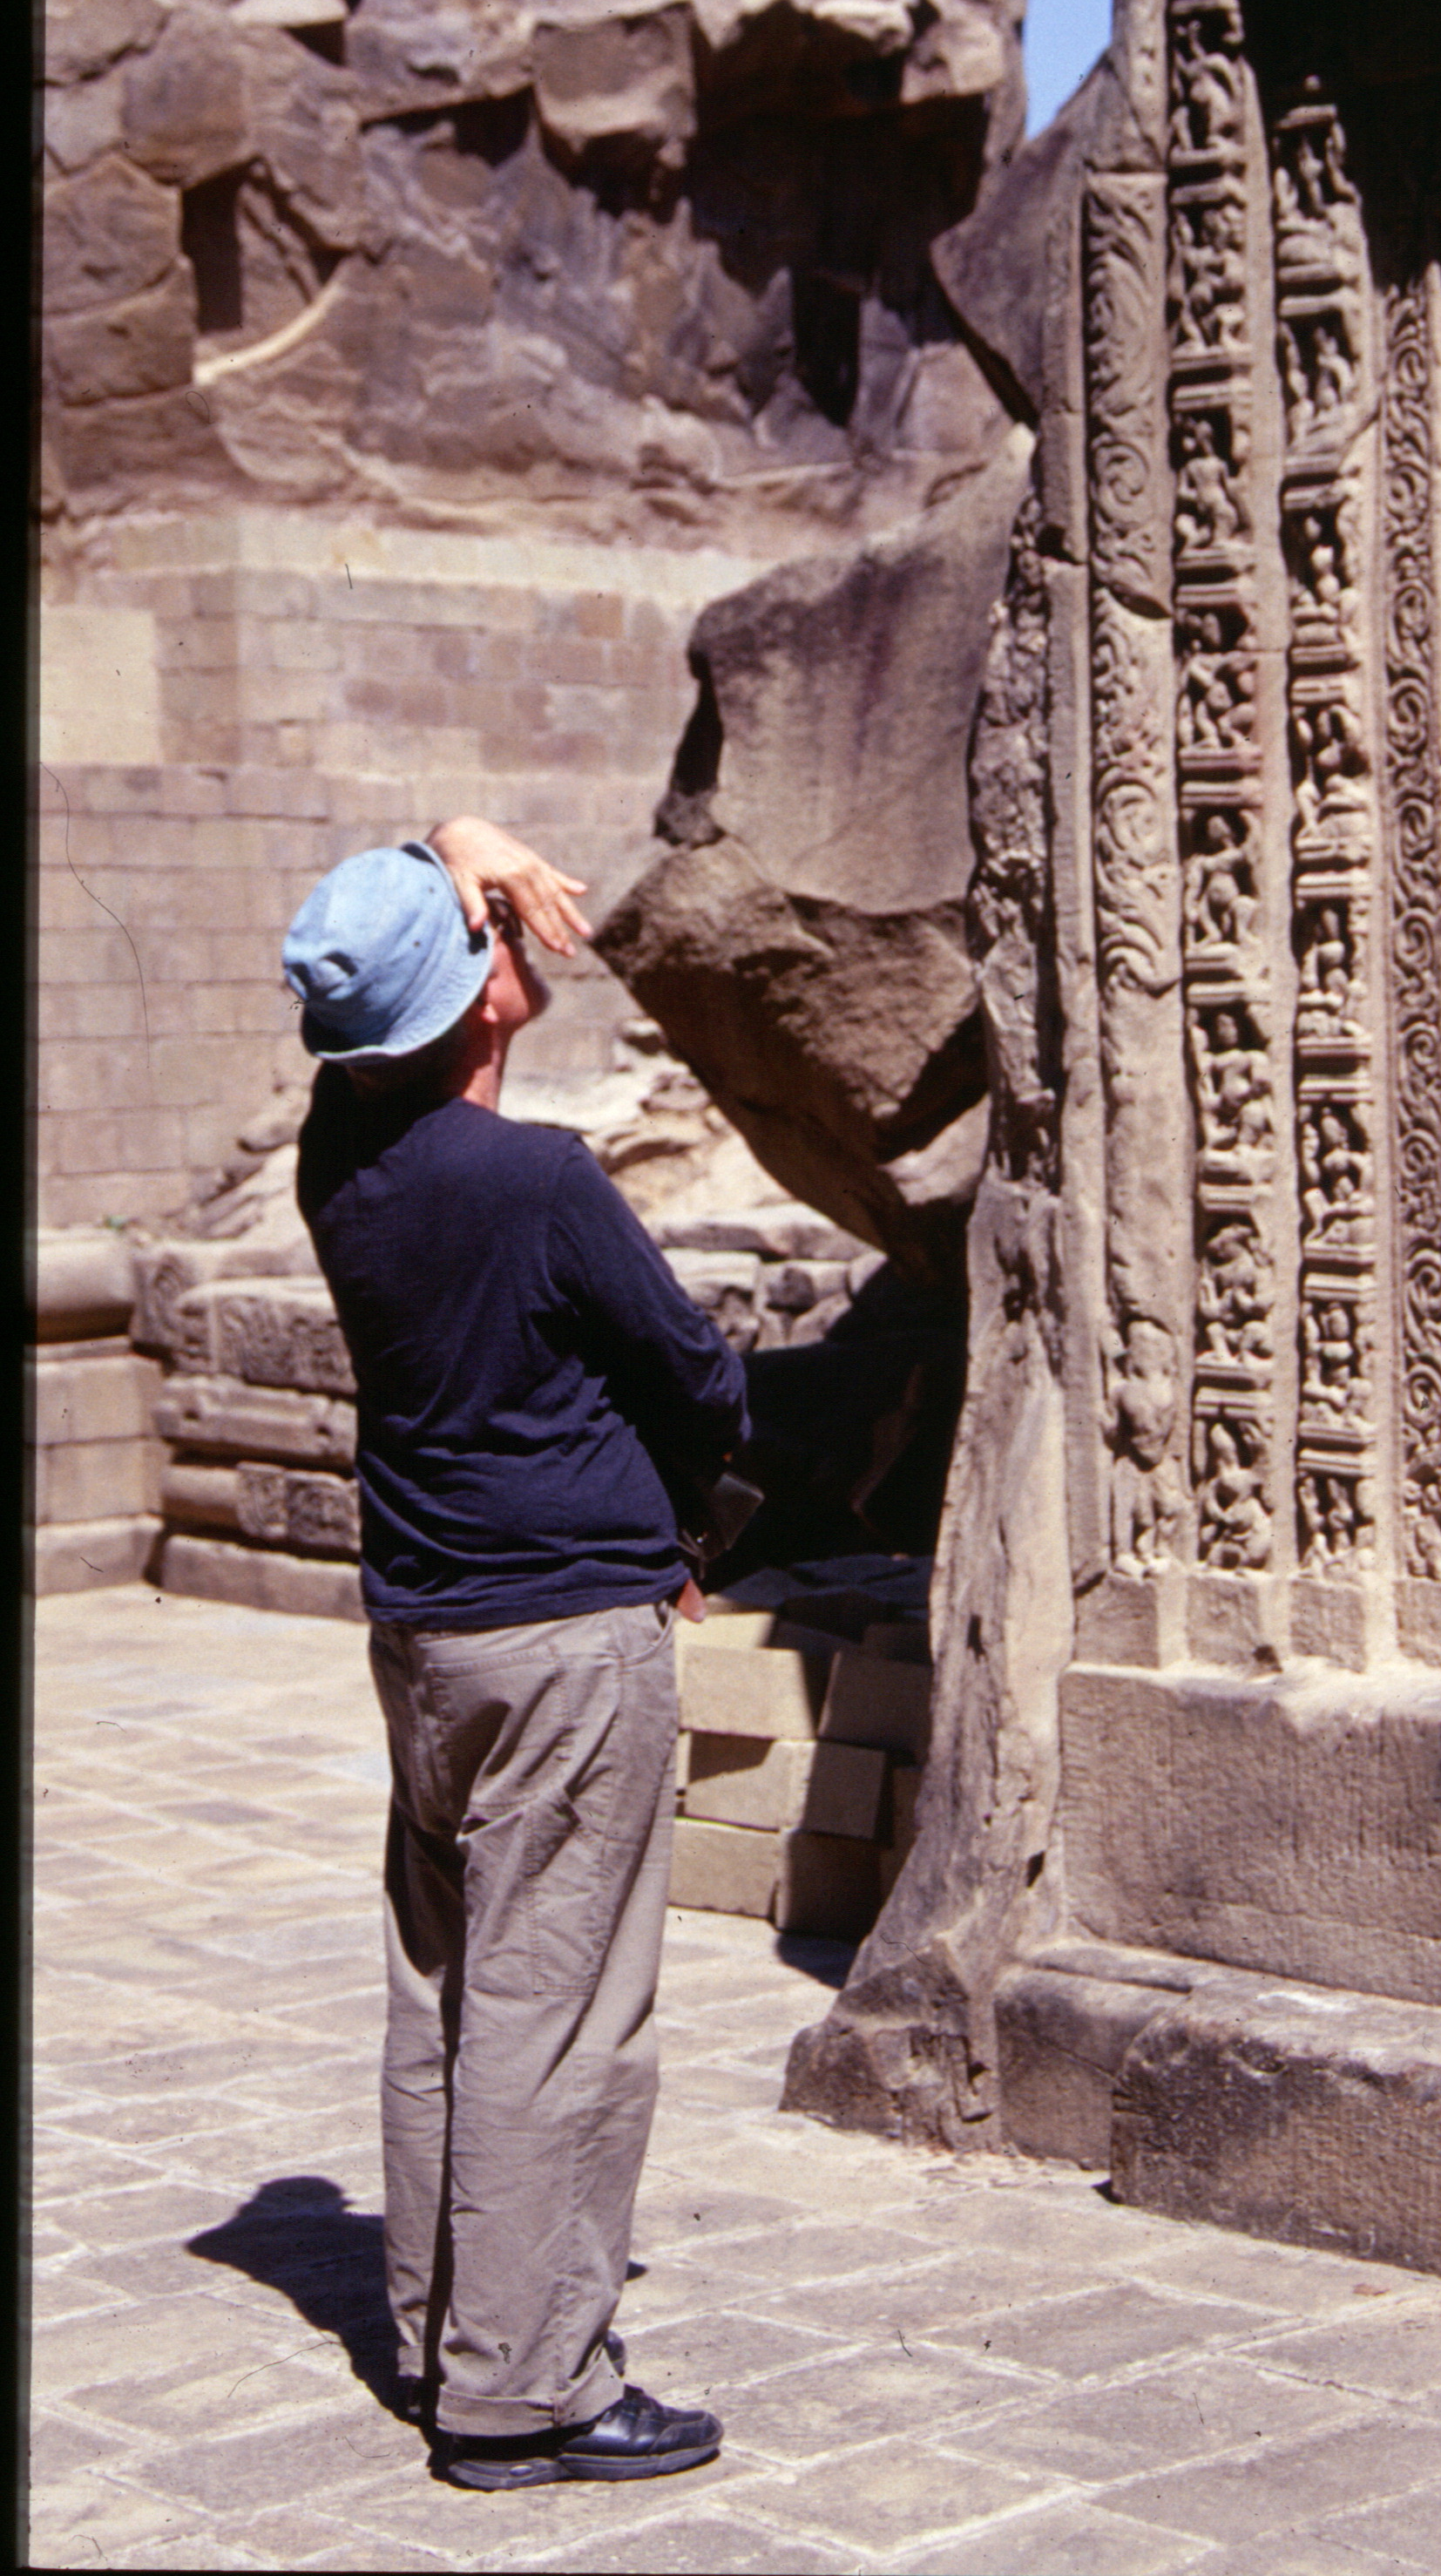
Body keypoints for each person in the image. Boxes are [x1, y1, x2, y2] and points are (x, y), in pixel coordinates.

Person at [281, 816, 748, 2492]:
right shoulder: (540, 1180)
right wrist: (689, 1525)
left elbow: (369, 993)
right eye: (484, 931)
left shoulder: (339, 1163)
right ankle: (527, 2392)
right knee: (561, 2015)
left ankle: (443, 2336)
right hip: (562, 1644)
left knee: (449, 1997)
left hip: (426, 1637)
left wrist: (444, 852)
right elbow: (699, 1374)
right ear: (480, 994)